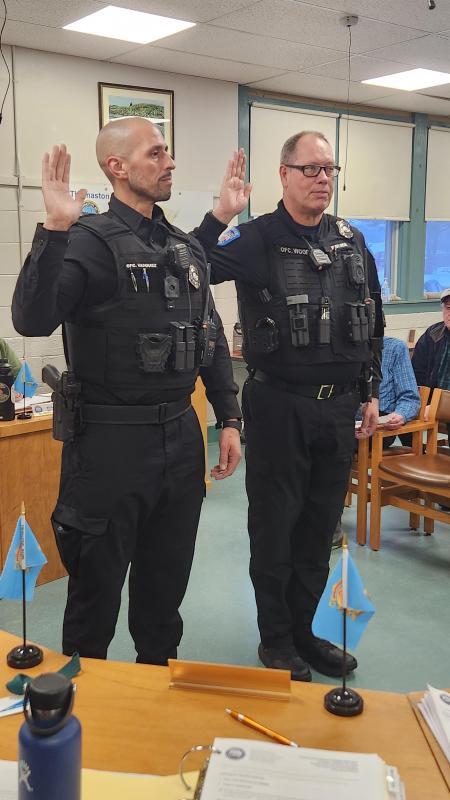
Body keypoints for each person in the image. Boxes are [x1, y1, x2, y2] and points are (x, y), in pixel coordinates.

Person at [12, 118, 250, 664]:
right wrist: (52, 228)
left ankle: (154, 705)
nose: (169, 162)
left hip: (181, 442)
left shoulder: (181, 246)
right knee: (94, 601)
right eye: (155, 153)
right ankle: (85, 719)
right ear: (117, 167)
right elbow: (30, 319)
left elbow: (207, 336)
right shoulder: (88, 240)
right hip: (109, 451)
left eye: (168, 152)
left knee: (163, 600)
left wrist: (229, 419)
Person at [208, 131, 384, 681]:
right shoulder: (257, 238)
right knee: (276, 527)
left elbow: (371, 317)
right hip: (280, 406)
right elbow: (191, 263)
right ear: (283, 174)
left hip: (340, 410)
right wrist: (220, 216)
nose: (322, 179)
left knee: (318, 529)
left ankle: (305, 634)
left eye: (329, 169)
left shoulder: (352, 240)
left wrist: (372, 389)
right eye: (310, 169)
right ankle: (275, 639)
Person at [412, 288, 450, 442]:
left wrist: (438, 407)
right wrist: (419, 403)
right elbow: (416, 373)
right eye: (448, 308)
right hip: (431, 401)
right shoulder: (433, 334)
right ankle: (421, 457)